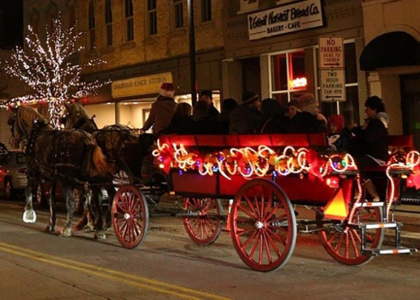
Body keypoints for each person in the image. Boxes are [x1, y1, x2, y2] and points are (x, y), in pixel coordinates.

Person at [350, 96, 389, 201]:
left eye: (367, 108)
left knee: (354, 162)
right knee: (351, 162)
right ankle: (360, 190)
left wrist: (357, 131)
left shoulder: (376, 123)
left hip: (376, 157)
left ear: (374, 109)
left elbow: (368, 138)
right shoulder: (373, 122)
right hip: (370, 155)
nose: (365, 111)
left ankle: (371, 192)